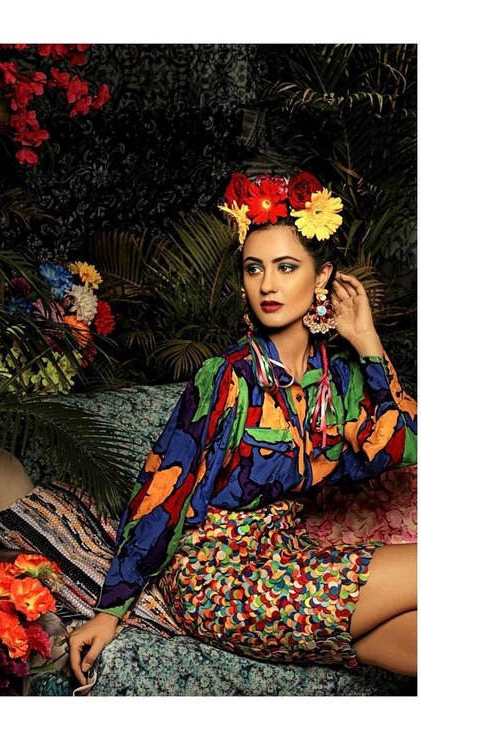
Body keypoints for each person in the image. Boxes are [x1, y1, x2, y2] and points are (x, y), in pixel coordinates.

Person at [68, 171, 418, 684]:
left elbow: (402, 446)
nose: (268, 285)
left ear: (322, 276)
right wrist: (111, 609)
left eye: (286, 267)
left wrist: (366, 339)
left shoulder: (339, 377)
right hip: (215, 573)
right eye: (255, 268)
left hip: (286, 556)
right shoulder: (228, 376)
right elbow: (165, 484)